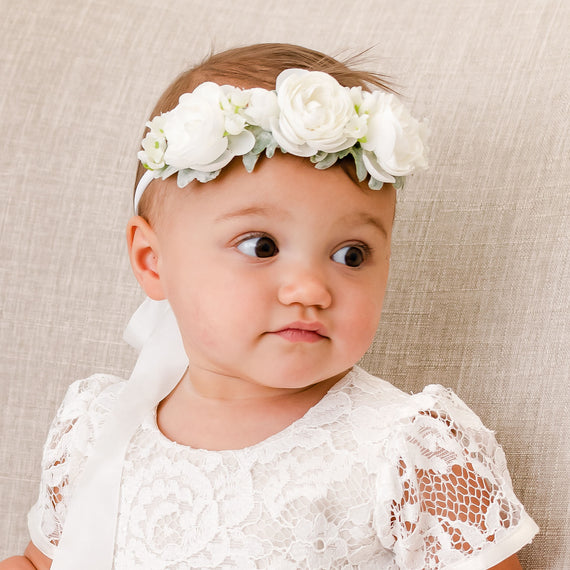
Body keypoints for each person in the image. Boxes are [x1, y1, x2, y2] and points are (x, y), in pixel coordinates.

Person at [1, 43, 538, 569]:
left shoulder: (406, 448)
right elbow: (49, 559)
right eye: (262, 246)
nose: (309, 289)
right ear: (152, 260)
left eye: (351, 254)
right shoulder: (96, 426)